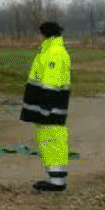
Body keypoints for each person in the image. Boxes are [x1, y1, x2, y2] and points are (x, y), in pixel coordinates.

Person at [19, 20, 74, 192]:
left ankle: (57, 182)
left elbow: (51, 83)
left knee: (52, 141)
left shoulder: (54, 53)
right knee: (48, 140)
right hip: (49, 106)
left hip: (51, 107)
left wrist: (45, 107)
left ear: (44, 35)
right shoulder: (50, 50)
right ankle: (56, 179)